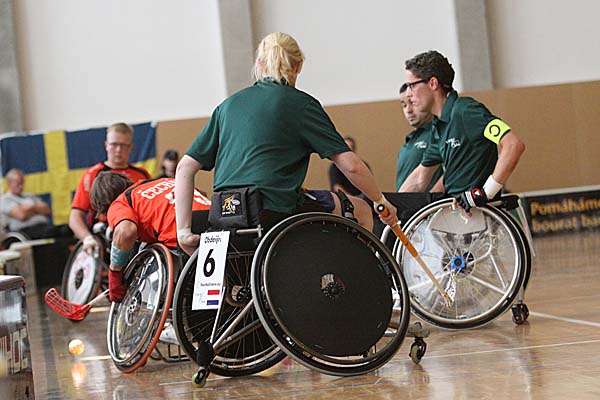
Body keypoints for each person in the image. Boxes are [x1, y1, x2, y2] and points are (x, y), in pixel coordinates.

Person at [175, 32, 397, 256]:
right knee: (361, 210)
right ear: (298, 66)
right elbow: (352, 167)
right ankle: (347, 274)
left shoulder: (227, 106)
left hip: (224, 214)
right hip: (274, 211)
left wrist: (183, 232)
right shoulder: (301, 105)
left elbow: (184, 167)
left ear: (259, 64)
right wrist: (380, 201)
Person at [399, 50, 526, 211]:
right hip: (454, 213)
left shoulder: (466, 110)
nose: (408, 94)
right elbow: (419, 179)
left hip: (475, 216)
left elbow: (513, 145)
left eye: (412, 86)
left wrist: (486, 193)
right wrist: (392, 206)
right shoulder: (439, 125)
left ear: (432, 83)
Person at [89, 171, 211, 302]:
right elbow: (202, 193)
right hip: (212, 218)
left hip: (185, 233)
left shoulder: (120, 202)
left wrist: (115, 273)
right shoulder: (164, 180)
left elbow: (126, 232)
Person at [69, 123, 151, 254]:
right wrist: (87, 238)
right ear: (106, 145)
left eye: (123, 145)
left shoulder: (142, 174)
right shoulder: (92, 174)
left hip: (137, 233)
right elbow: (75, 216)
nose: (118, 150)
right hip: (105, 236)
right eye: (114, 144)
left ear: (131, 147)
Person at [396, 83, 443, 192]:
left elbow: (451, 171)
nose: (408, 110)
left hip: (433, 201)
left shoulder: (439, 132)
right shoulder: (408, 142)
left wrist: (432, 198)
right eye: (404, 105)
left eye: (412, 103)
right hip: (408, 202)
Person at [0, 168, 72, 239]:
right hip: (25, 231)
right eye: (18, 184)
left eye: (22, 183)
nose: (21, 186)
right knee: (55, 231)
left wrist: (30, 208)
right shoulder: (5, 199)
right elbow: (21, 215)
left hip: (44, 226)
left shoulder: (30, 196)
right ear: (9, 183)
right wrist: (37, 210)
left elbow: (47, 210)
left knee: (68, 229)